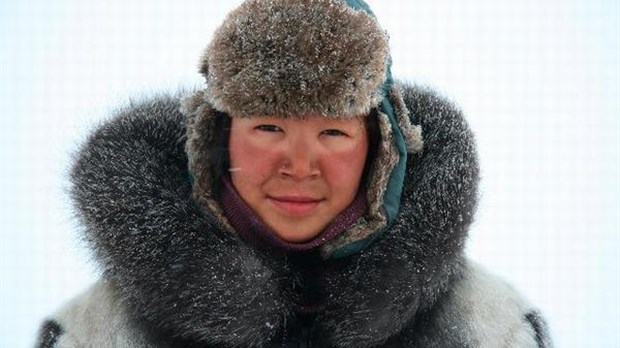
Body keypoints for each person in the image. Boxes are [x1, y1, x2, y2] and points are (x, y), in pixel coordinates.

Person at [36, 0, 553, 347]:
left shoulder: (495, 330)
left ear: (381, 149)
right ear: (216, 139)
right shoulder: (91, 335)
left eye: (334, 133)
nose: (300, 166)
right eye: (267, 126)